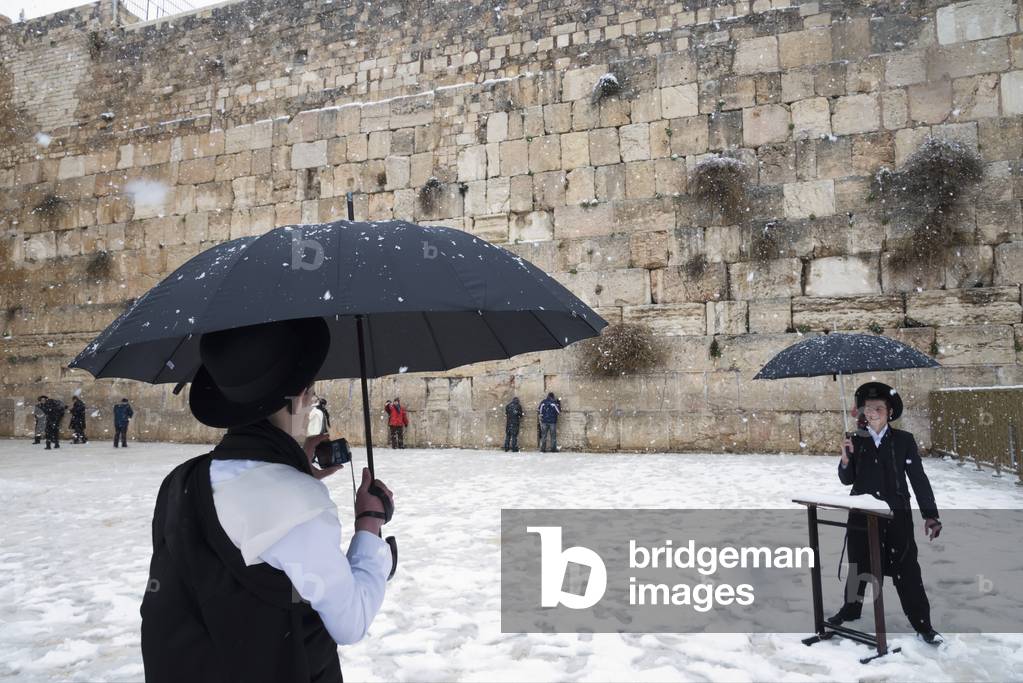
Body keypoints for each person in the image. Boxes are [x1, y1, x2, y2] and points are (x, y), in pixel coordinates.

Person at [141, 317, 394, 682]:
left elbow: (226, 568)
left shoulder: (181, 479)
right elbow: (350, 620)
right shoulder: (298, 503)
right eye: (310, 394)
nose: (310, 403)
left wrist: (294, 467)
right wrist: (370, 522)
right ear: (298, 399)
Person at [829, 381, 944, 645]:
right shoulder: (856, 439)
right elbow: (847, 479)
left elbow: (918, 479)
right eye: (868, 408)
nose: (872, 413)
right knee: (859, 564)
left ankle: (923, 624)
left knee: (907, 570)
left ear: (889, 411)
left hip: (896, 516)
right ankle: (850, 609)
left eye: (878, 408)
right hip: (862, 513)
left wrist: (930, 514)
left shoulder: (903, 441)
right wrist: (845, 460)